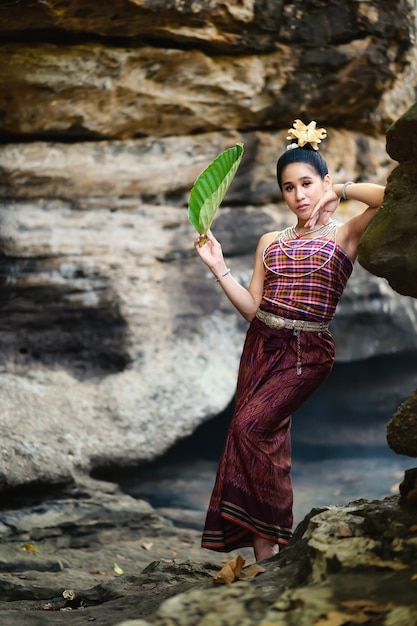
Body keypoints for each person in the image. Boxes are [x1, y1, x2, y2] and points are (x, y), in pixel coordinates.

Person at [193, 119, 385, 562]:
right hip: (261, 346)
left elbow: (390, 198)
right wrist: (218, 266)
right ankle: (267, 555)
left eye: (307, 184)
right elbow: (251, 308)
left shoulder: (344, 233)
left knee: (249, 428)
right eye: (288, 187)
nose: (298, 195)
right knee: (267, 442)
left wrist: (345, 190)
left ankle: (275, 535)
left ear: (325, 183)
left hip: (307, 353)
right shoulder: (269, 242)